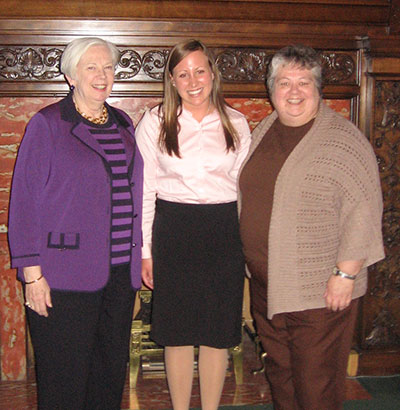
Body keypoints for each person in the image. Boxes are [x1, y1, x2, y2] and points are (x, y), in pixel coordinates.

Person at [238, 45, 385, 410]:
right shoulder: (266, 129)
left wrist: (345, 273)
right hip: (268, 286)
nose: (294, 91)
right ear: (271, 90)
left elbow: (364, 209)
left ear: (319, 88)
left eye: (304, 82)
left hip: (319, 291)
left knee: (315, 384)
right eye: (284, 82)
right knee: (282, 377)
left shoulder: (342, 140)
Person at [8, 37, 143, 410]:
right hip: (62, 276)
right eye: (91, 67)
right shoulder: (48, 124)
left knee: (107, 377)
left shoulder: (123, 123)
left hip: (118, 274)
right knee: (63, 381)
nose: (102, 76)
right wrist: (31, 275)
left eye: (108, 67)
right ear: (70, 76)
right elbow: (24, 202)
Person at [136, 39, 251, 410]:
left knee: (218, 333)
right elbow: (146, 191)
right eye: (183, 73)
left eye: (200, 70)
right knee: (178, 332)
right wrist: (146, 251)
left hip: (223, 231)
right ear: (172, 80)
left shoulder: (236, 123)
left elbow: (244, 190)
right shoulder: (155, 122)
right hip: (174, 230)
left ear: (213, 74)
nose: (193, 79)